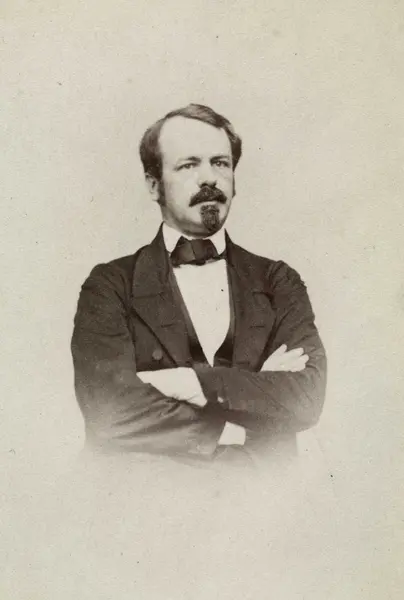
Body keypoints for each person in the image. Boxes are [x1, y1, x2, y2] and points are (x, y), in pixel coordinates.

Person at [71, 103, 327, 470]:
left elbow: (305, 399)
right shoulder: (111, 285)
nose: (210, 178)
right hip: (148, 496)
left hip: (264, 494)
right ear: (154, 184)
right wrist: (242, 413)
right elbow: (109, 413)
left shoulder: (278, 280)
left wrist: (189, 383)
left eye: (220, 163)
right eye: (189, 165)